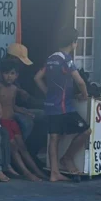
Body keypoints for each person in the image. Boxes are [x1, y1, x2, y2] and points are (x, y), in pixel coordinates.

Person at [35, 26, 91, 182]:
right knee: (86, 131)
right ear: (74, 43)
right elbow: (79, 81)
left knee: (54, 138)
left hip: (51, 105)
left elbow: (37, 77)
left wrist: (47, 92)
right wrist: (85, 95)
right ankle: (67, 158)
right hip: (64, 107)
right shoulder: (66, 59)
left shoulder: (51, 58)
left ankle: (54, 172)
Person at [0, 60, 45, 181]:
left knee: (22, 147)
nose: (9, 76)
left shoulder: (14, 89)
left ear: (16, 75)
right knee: (14, 147)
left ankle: (37, 171)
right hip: (2, 122)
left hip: (12, 121)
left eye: (12, 73)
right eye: (6, 73)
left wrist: (26, 112)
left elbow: (12, 106)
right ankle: (27, 173)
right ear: (1, 74)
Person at [0, 43, 39, 139]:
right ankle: (14, 150)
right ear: (12, 57)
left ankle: (27, 150)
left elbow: (21, 98)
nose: (21, 64)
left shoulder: (16, 72)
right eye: (19, 61)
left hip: (16, 107)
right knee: (27, 122)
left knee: (42, 115)